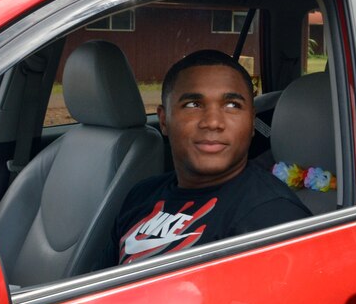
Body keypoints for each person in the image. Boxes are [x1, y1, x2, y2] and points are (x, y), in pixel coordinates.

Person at [111, 49, 310, 265]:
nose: (213, 122)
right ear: (164, 120)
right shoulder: (141, 195)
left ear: (252, 122)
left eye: (232, 105)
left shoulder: (272, 218)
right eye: (193, 105)